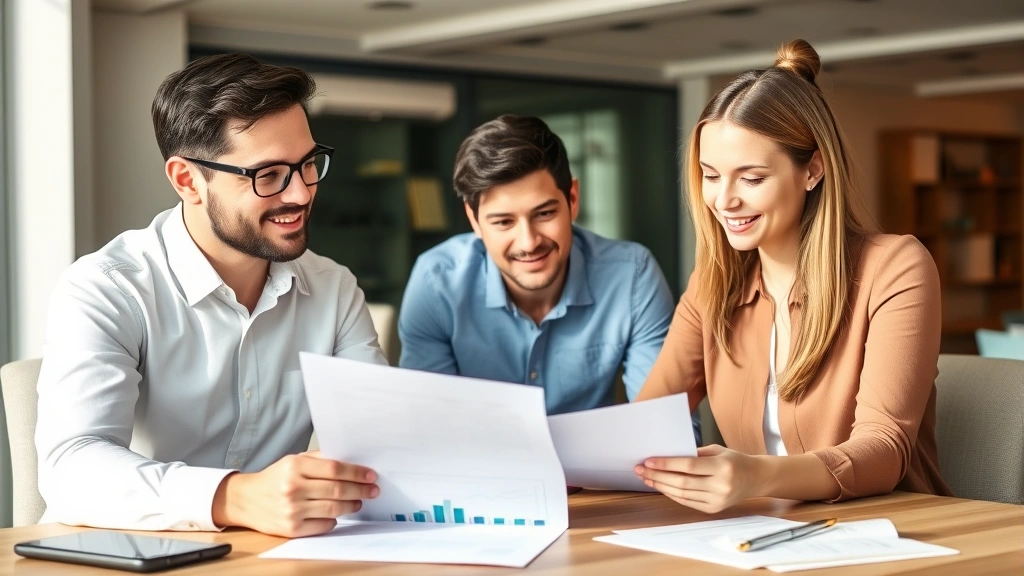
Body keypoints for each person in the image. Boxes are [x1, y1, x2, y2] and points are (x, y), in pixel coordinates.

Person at [35, 53, 385, 537]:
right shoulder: (107, 287)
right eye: (268, 175)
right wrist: (236, 496)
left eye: (308, 165)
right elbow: (70, 467)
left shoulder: (333, 287)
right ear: (187, 180)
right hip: (116, 554)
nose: (302, 193)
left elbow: (380, 442)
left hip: (263, 558)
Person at [634, 39, 952, 513]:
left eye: (752, 178)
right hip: (762, 532)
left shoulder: (895, 268)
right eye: (710, 175)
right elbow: (645, 425)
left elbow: (885, 450)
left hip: (887, 530)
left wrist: (753, 475)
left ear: (813, 170)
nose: (723, 200)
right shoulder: (713, 284)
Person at [399, 114, 700, 442]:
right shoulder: (436, 282)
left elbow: (668, 432)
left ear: (572, 199)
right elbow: (426, 432)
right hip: (480, 486)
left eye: (544, 214)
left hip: (597, 486)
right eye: (503, 222)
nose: (528, 242)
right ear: (474, 219)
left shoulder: (631, 274)